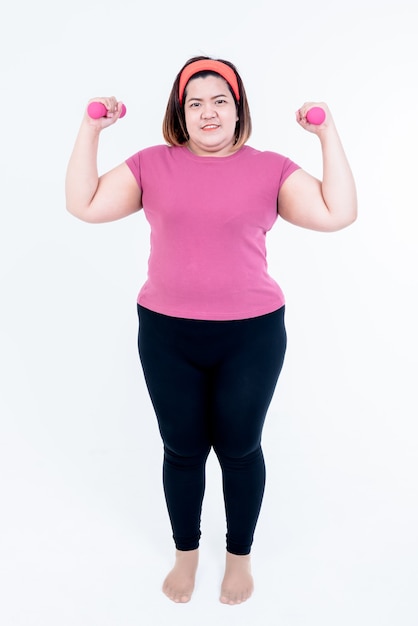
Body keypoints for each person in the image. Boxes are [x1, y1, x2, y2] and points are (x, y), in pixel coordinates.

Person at [65, 55, 357, 605]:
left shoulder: (270, 169)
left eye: (219, 100)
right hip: (167, 334)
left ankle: (239, 558)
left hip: (251, 336)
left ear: (238, 107)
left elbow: (337, 212)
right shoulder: (152, 165)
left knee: (240, 449)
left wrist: (326, 134)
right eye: (194, 102)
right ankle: (186, 555)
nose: (207, 112)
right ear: (180, 112)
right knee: (181, 450)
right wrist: (91, 129)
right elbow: (83, 204)